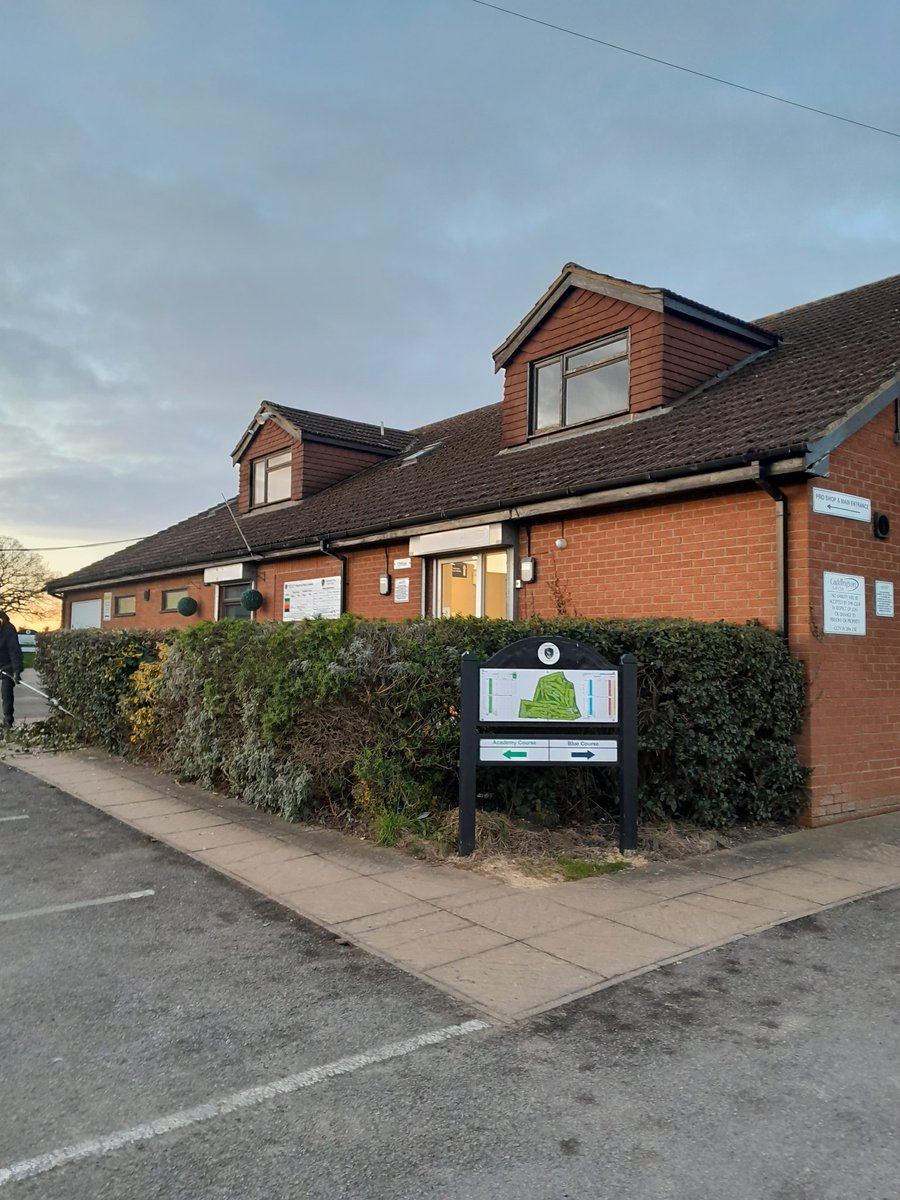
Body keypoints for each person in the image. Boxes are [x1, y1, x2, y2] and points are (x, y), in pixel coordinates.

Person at [0, 610, 23, 727]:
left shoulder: (8, 629)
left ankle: (8, 720)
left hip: (7, 665)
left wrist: (17, 670)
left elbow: (14, 651)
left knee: (6, 692)